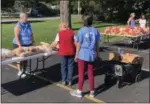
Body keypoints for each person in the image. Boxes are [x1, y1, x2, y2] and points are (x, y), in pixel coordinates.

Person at [70, 13, 100, 98]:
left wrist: (76, 55)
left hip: (83, 55)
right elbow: (97, 44)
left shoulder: (81, 31)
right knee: (91, 73)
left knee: (81, 74)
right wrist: (98, 54)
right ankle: (92, 91)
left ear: (84, 21)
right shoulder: (95, 30)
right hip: (92, 54)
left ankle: (79, 91)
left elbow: (78, 45)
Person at [12, 13, 34, 78]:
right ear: (21, 18)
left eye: (27, 18)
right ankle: (20, 71)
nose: (26, 19)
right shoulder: (17, 26)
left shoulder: (28, 24)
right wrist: (19, 46)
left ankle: (24, 70)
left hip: (28, 44)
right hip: (19, 44)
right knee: (20, 58)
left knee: (26, 58)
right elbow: (16, 36)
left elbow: (31, 33)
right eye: (25, 18)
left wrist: (33, 41)